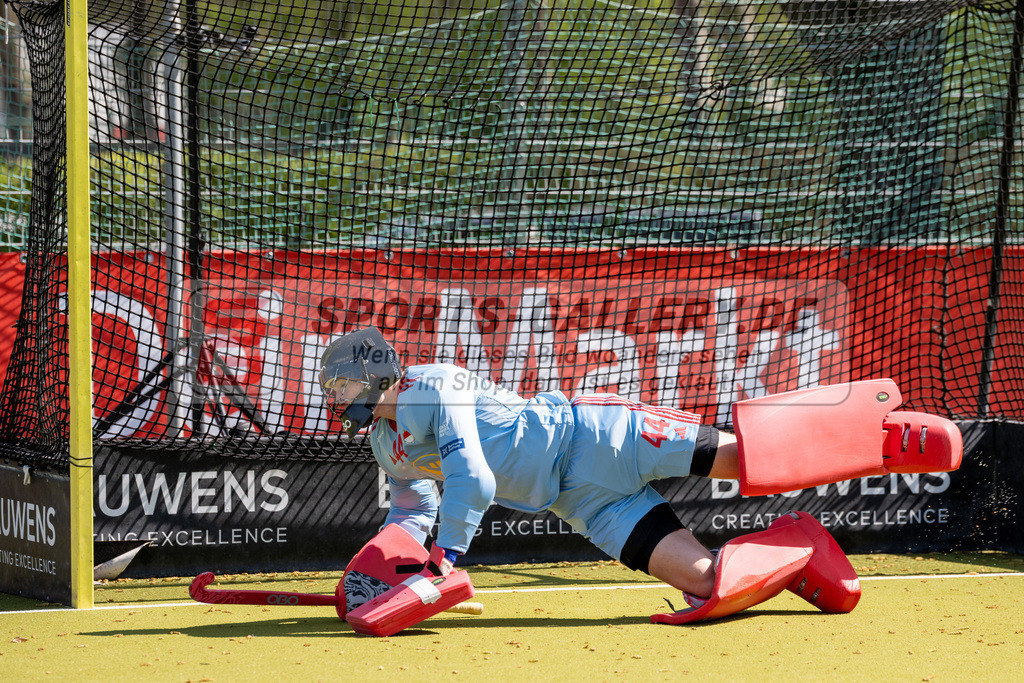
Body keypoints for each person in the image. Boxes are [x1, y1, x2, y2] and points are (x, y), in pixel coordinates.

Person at [320, 326, 864, 625]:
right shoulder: (383, 443)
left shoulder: (435, 386)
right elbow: (413, 510)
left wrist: (442, 562)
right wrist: (376, 571)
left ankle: (876, 437)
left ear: (373, 372)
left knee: (746, 459)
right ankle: (799, 545)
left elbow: (473, 477)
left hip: (597, 438)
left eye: (340, 384)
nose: (334, 395)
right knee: (707, 583)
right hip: (583, 504)